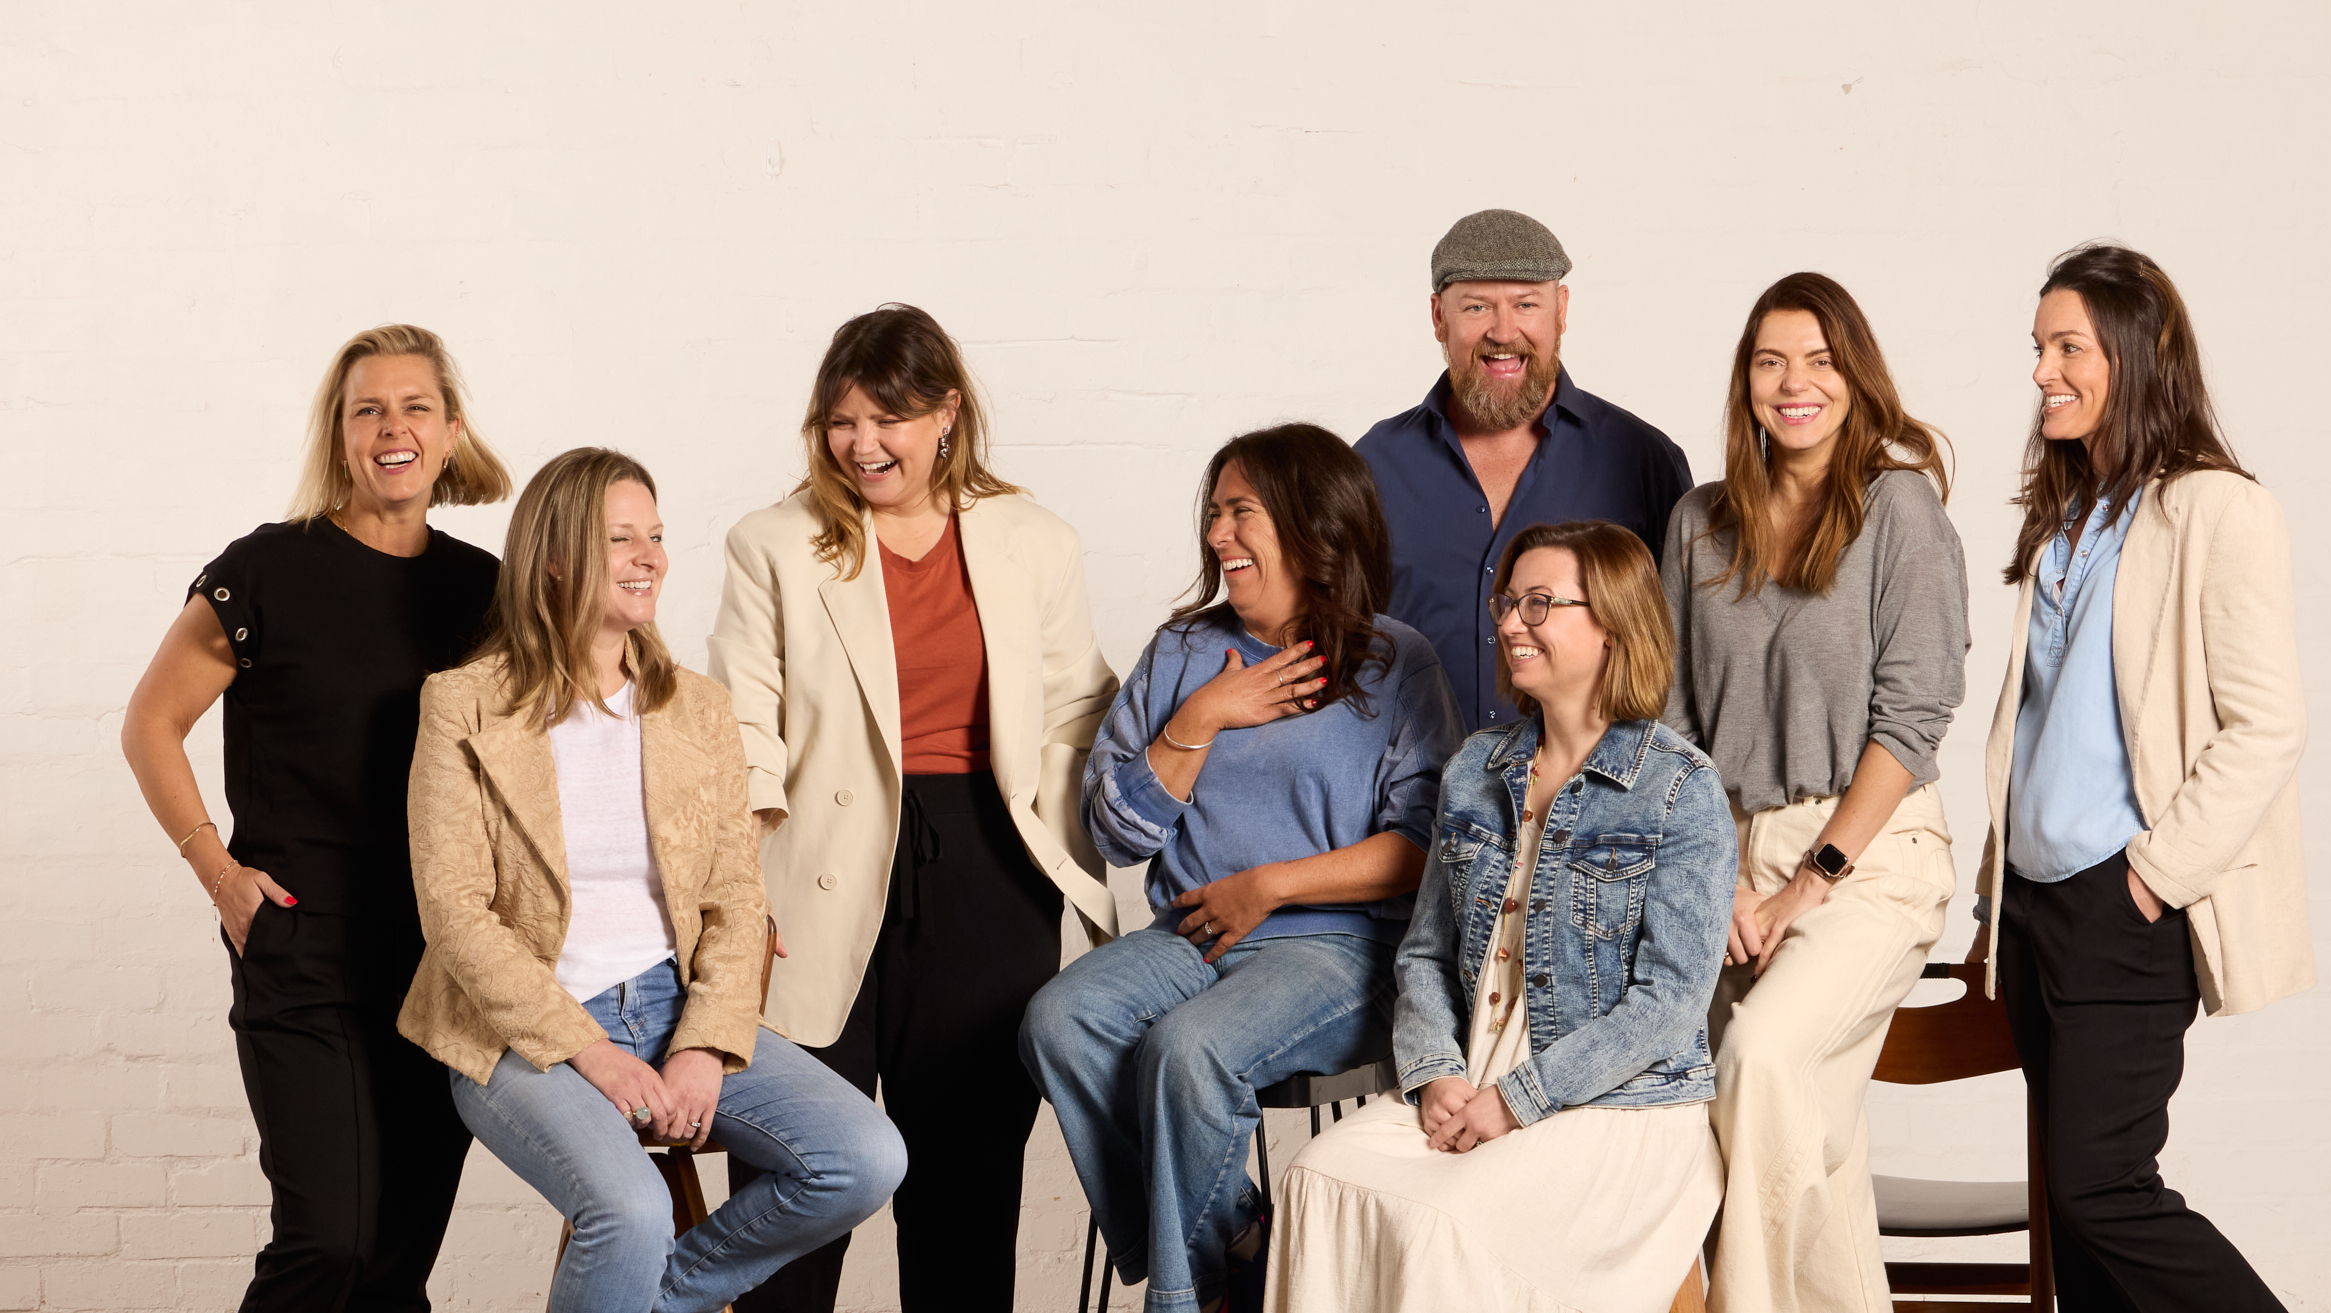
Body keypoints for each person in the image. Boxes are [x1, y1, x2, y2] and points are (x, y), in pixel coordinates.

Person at [398, 447, 906, 1313]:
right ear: (555, 556)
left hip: (672, 1006)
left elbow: (737, 896)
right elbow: (454, 912)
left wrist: (707, 1044)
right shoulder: (463, 703)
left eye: (657, 536)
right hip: (522, 1034)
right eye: (621, 538)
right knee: (629, 1209)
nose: (651, 557)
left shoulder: (694, 706)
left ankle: (649, 1299)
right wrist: (591, 1053)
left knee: (865, 1156)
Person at [710, 303, 1121, 1311]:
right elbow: (740, 725)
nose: (862, 443)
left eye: (885, 418)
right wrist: (737, 888)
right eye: (841, 421)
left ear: (945, 412)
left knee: (965, 1188)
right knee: (796, 1181)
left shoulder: (1035, 539)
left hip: (987, 872)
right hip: (809, 872)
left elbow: (1079, 704)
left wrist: (1062, 834)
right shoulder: (773, 542)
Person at [1019, 423, 1462, 1313]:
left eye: (1241, 512)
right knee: (1059, 1017)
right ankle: (1242, 1245)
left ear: (1312, 526)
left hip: (1337, 953)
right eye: (1214, 512)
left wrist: (1271, 884)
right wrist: (1205, 714)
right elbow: (1115, 831)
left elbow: (1423, 852)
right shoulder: (1184, 651)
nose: (1219, 535)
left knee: (1189, 1052)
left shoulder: (1394, 660)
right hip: (1188, 935)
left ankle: (1187, 1298)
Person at [119, 325, 508, 1311]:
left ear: (451, 431)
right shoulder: (266, 570)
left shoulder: (483, 591)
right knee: (326, 1245)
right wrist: (218, 871)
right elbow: (151, 722)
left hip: (442, 959)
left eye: (415, 406)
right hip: (302, 947)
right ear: (338, 436)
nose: (393, 427)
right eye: (366, 408)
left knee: (391, 1268)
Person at [1269, 520, 1737, 1312]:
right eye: (1509, 601)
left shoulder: (1681, 789)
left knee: (1446, 1219)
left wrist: (1516, 1100)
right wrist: (1434, 1071)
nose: (1511, 621)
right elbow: (1422, 954)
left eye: (1541, 603)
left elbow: (1669, 1005)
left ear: (1615, 625)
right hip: (1470, 1080)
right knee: (1316, 1176)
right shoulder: (1476, 768)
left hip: (1619, 1106)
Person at [1967, 243, 2310, 1312]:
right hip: (2030, 908)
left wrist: (2153, 874)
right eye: (2037, 347)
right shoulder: (2067, 514)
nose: (2041, 371)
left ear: (2134, 353)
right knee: (2077, 1221)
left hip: (2122, 902)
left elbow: (2266, 723)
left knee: (2102, 1186)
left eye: (2067, 345)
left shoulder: (2214, 509)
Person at [1658, 274, 1970, 1313]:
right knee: (1805, 1138)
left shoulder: (1898, 507)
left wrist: (1811, 877)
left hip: (1869, 853)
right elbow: (1672, 727)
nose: (1794, 384)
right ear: (1744, 382)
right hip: (1727, 855)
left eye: (1820, 360)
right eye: (1769, 361)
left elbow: (1914, 713)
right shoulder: (1699, 524)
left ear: (1856, 375)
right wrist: (1722, 882)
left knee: (1757, 1061)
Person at [1356, 207, 1694, 731]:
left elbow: (1678, 655)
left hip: (1593, 801)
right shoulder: (1373, 465)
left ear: (1561, 310)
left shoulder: (1643, 459)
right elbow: (1337, 643)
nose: (1503, 331)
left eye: (1526, 304)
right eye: (1476, 307)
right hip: (1408, 802)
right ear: (1438, 317)